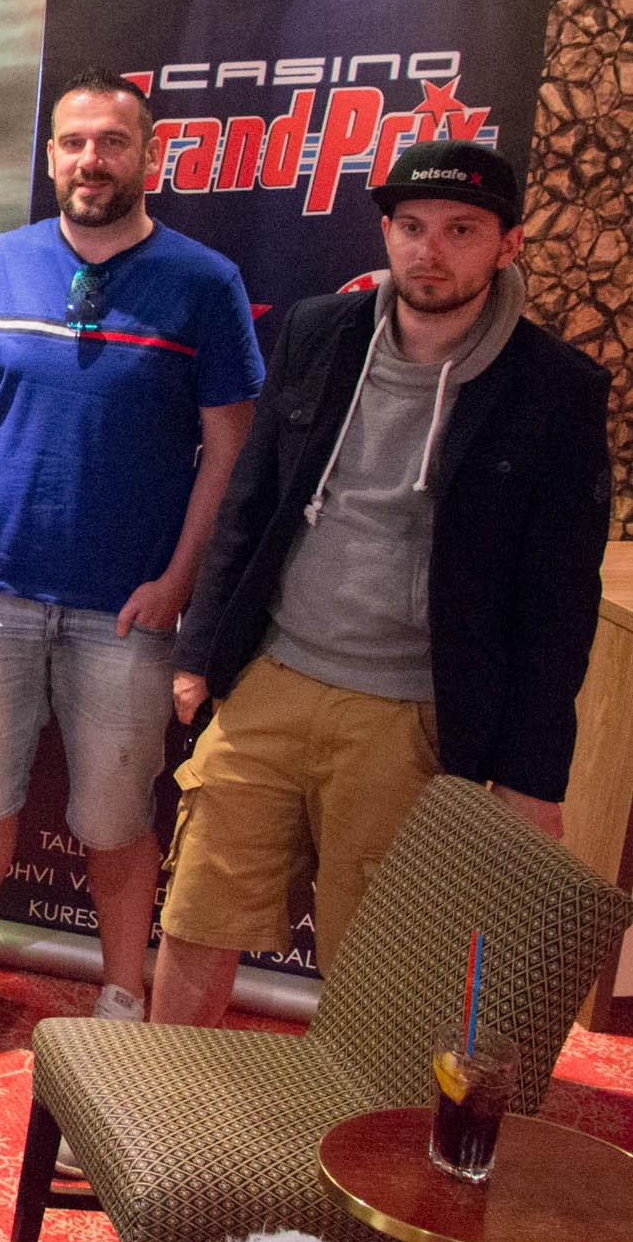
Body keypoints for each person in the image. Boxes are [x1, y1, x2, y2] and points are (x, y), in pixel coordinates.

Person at [152, 140, 612, 1024]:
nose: (430, 251)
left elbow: (559, 605)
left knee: (381, 966)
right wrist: (200, 650)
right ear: (387, 232)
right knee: (197, 911)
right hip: (271, 680)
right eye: (411, 226)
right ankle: (154, 1097)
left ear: (509, 243)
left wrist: (534, 776)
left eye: (461, 230)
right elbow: (250, 499)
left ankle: (359, 1120)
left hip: (413, 713)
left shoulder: (555, 389)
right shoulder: (319, 331)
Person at [0, 71, 261, 1020]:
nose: (92, 160)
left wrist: (179, 580)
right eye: (74, 142)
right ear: (51, 157)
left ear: (148, 155)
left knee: (116, 820)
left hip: (127, 610)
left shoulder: (205, 281)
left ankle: (122, 990)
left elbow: (230, 452)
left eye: (113, 142)